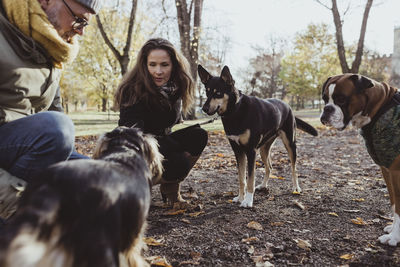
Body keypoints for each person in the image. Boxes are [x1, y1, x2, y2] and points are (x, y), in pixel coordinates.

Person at [0, 0, 102, 220]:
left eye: (86, 24)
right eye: (79, 20)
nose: (81, 32)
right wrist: (13, 200)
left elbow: (53, 115)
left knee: (99, 177)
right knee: (57, 129)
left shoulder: (52, 47)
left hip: (26, 149)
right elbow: (54, 132)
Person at [114, 38, 208, 205]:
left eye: (164, 65)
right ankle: (138, 186)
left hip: (161, 141)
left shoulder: (175, 88)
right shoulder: (132, 89)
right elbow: (131, 136)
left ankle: (170, 187)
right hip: (136, 147)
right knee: (179, 162)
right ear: (144, 65)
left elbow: (168, 127)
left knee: (198, 135)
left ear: (174, 65)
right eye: (152, 64)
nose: (158, 71)